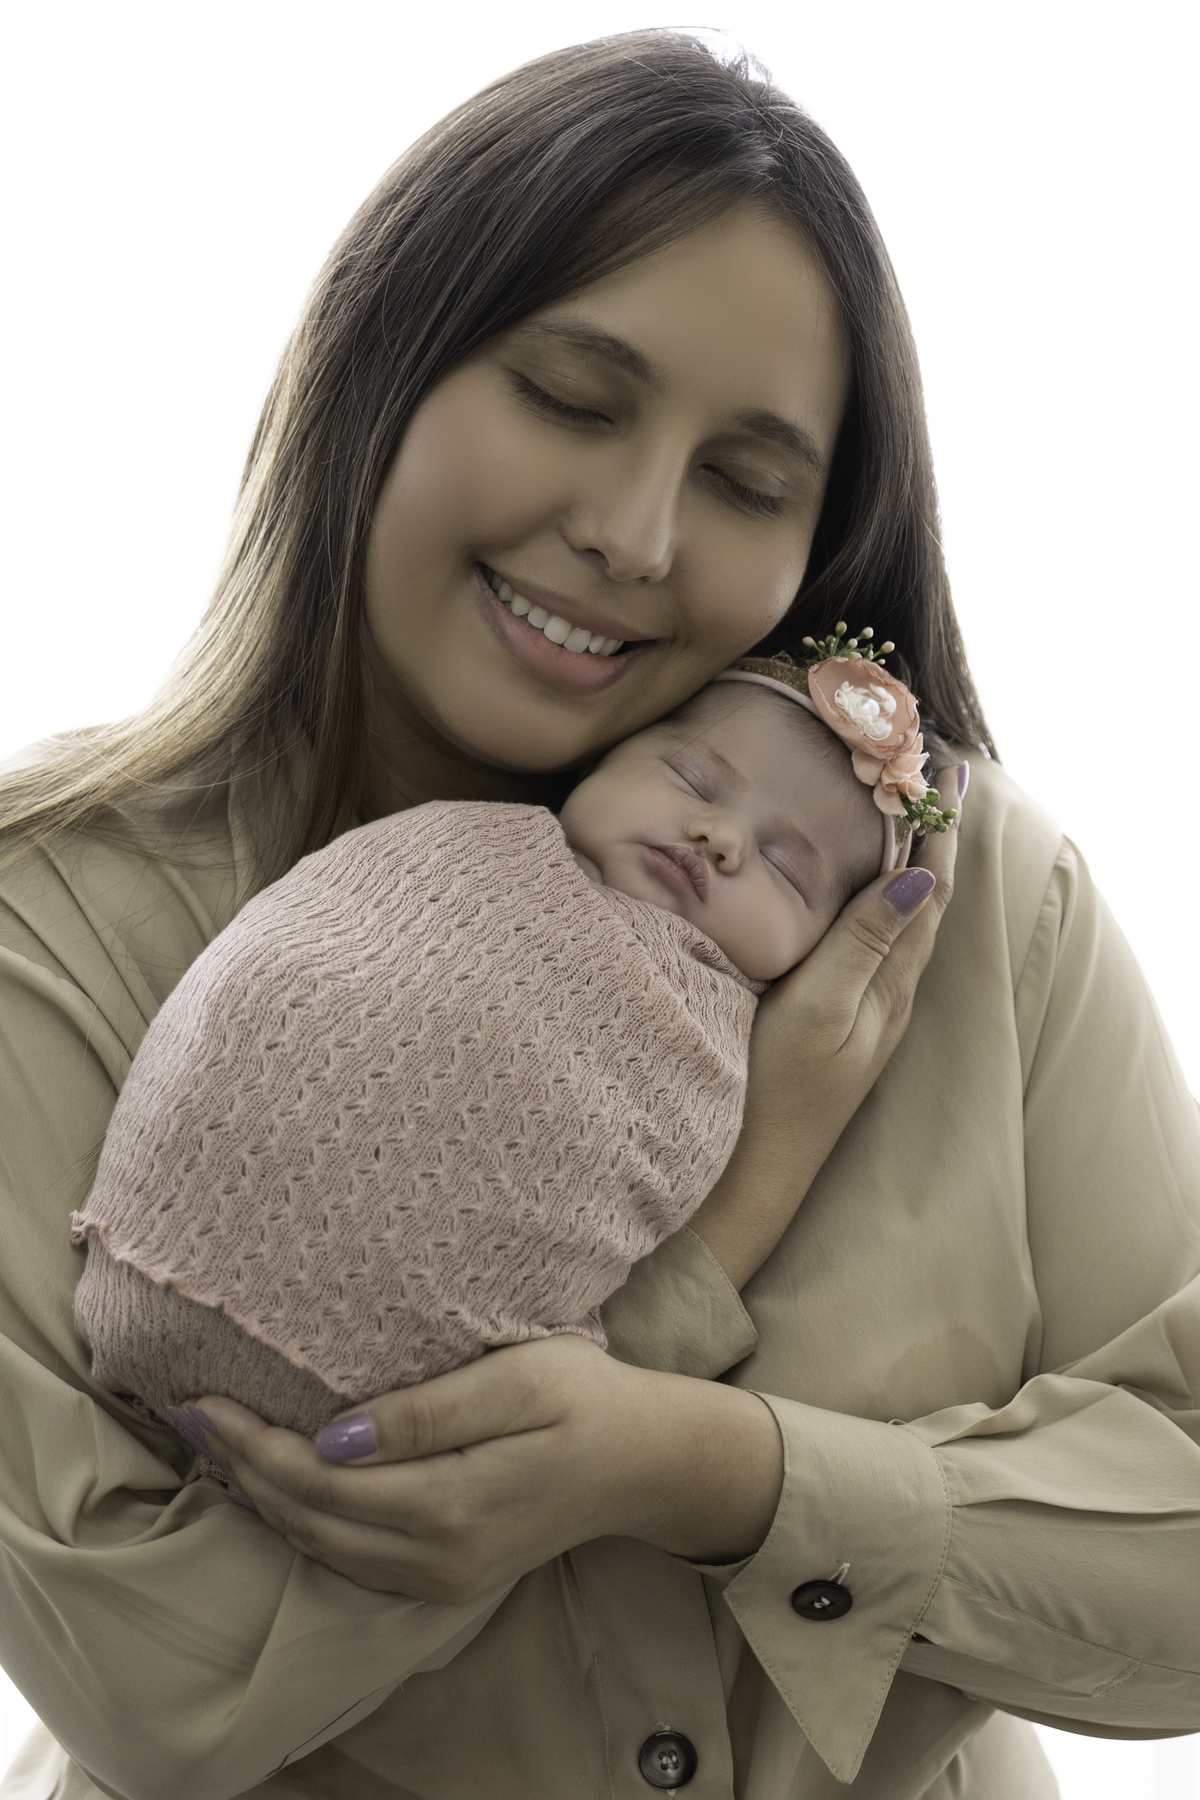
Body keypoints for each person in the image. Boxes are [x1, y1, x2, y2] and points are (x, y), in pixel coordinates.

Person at [0, 31, 1196, 1800]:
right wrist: (696, 1261)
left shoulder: (961, 894)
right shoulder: (60, 927)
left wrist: (719, 1472)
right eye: (570, 395)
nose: (637, 533)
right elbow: (154, 1682)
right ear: (374, 368)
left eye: (747, 482)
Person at [71, 658, 955, 1443]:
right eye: (693, 778)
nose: (719, 839)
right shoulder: (456, 839)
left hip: (403, 1418)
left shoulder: (713, 1041)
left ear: (819, 951)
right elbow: (288, 953)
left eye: (784, 867)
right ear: (603, 757)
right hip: (151, 1257)